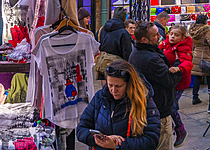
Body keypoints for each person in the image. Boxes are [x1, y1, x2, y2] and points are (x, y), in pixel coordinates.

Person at [76, 60, 161, 150]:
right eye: (110, 85)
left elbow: (151, 140)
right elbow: (81, 129)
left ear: (129, 84)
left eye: (118, 86)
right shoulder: (99, 97)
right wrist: (99, 140)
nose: (113, 90)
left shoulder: (145, 103)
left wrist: (117, 145)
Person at [129, 21, 182, 150]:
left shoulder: (137, 53)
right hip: (158, 112)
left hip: (149, 110)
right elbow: (169, 81)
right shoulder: (151, 58)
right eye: (155, 35)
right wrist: (178, 65)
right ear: (144, 39)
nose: (160, 37)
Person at [159, 24, 192, 146]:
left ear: (182, 37)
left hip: (179, 82)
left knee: (172, 106)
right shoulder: (167, 43)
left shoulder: (183, 48)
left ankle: (180, 129)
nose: (172, 37)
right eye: (171, 34)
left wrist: (178, 68)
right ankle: (170, 124)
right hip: (169, 80)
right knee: (168, 104)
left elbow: (188, 63)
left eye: (176, 35)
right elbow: (159, 48)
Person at [97, 7, 133, 85]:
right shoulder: (123, 32)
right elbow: (127, 51)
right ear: (124, 18)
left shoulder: (103, 29)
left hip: (103, 60)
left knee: (104, 83)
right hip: (117, 63)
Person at [189, 15, 210, 105]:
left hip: (197, 54)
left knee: (197, 77)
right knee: (209, 76)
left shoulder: (193, 30)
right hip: (207, 54)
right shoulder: (207, 30)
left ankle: (195, 97)